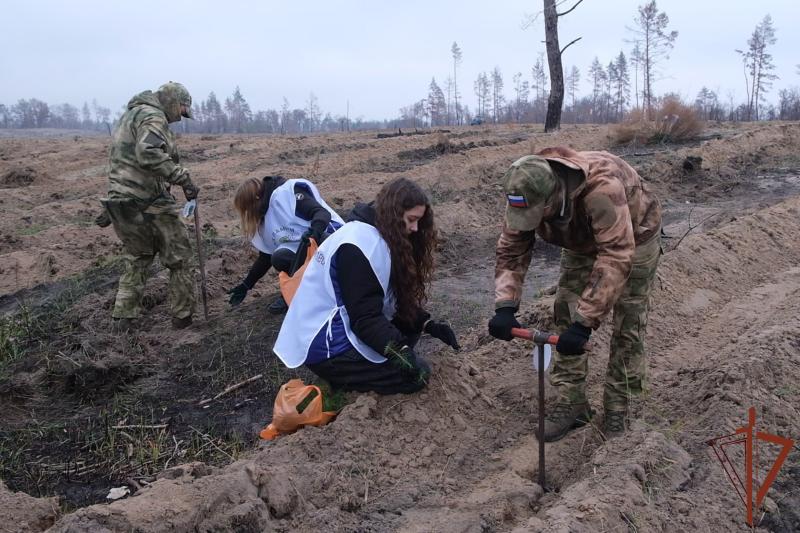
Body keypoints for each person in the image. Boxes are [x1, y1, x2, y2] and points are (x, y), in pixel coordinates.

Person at [488, 148, 662, 440]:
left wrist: (585, 324)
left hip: (633, 236)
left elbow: (617, 254)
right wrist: (505, 306)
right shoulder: (526, 187)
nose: (530, 221)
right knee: (565, 312)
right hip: (581, 241)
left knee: (628, 324)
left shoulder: (602, 189)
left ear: (554, 195)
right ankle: (573, 402)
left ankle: (621, 407)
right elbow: (511, 250)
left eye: (536, 214)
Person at [273, 177, 460, 394]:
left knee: (409, 329)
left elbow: (388, 300)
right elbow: (365, 318)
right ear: (393, 214)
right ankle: (338, 380)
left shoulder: (375, 235)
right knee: (418, 376)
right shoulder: (359, 245)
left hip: (338, 326)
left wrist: (427, 323)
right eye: (411, 220)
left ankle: (353, 376)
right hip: (325, 343)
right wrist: (399, 352)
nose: (416, 228)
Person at [101, 81, 199, 331]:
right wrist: (182, 177)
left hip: (121, 202)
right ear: (174, 103)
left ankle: (122, 323)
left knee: (137, 259)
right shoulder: (154, 117)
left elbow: (123, 161)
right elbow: (147, 153)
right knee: (179, 257)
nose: (180, 118)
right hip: (148, 201)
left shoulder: (130, 116)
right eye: (182, 111)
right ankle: (184, 320)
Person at [228, 175, 345, 313]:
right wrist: (246, 285)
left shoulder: (287, 194)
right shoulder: (264, 220)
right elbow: (266, 257)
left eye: (247, 210)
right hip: (306, 250)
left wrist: (313, 233)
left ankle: (297, 292)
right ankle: (301, 291)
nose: (248, 215)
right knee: (279, 257)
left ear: (255, 200)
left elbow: (321, 213)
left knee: (310, 243)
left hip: (331, 238)